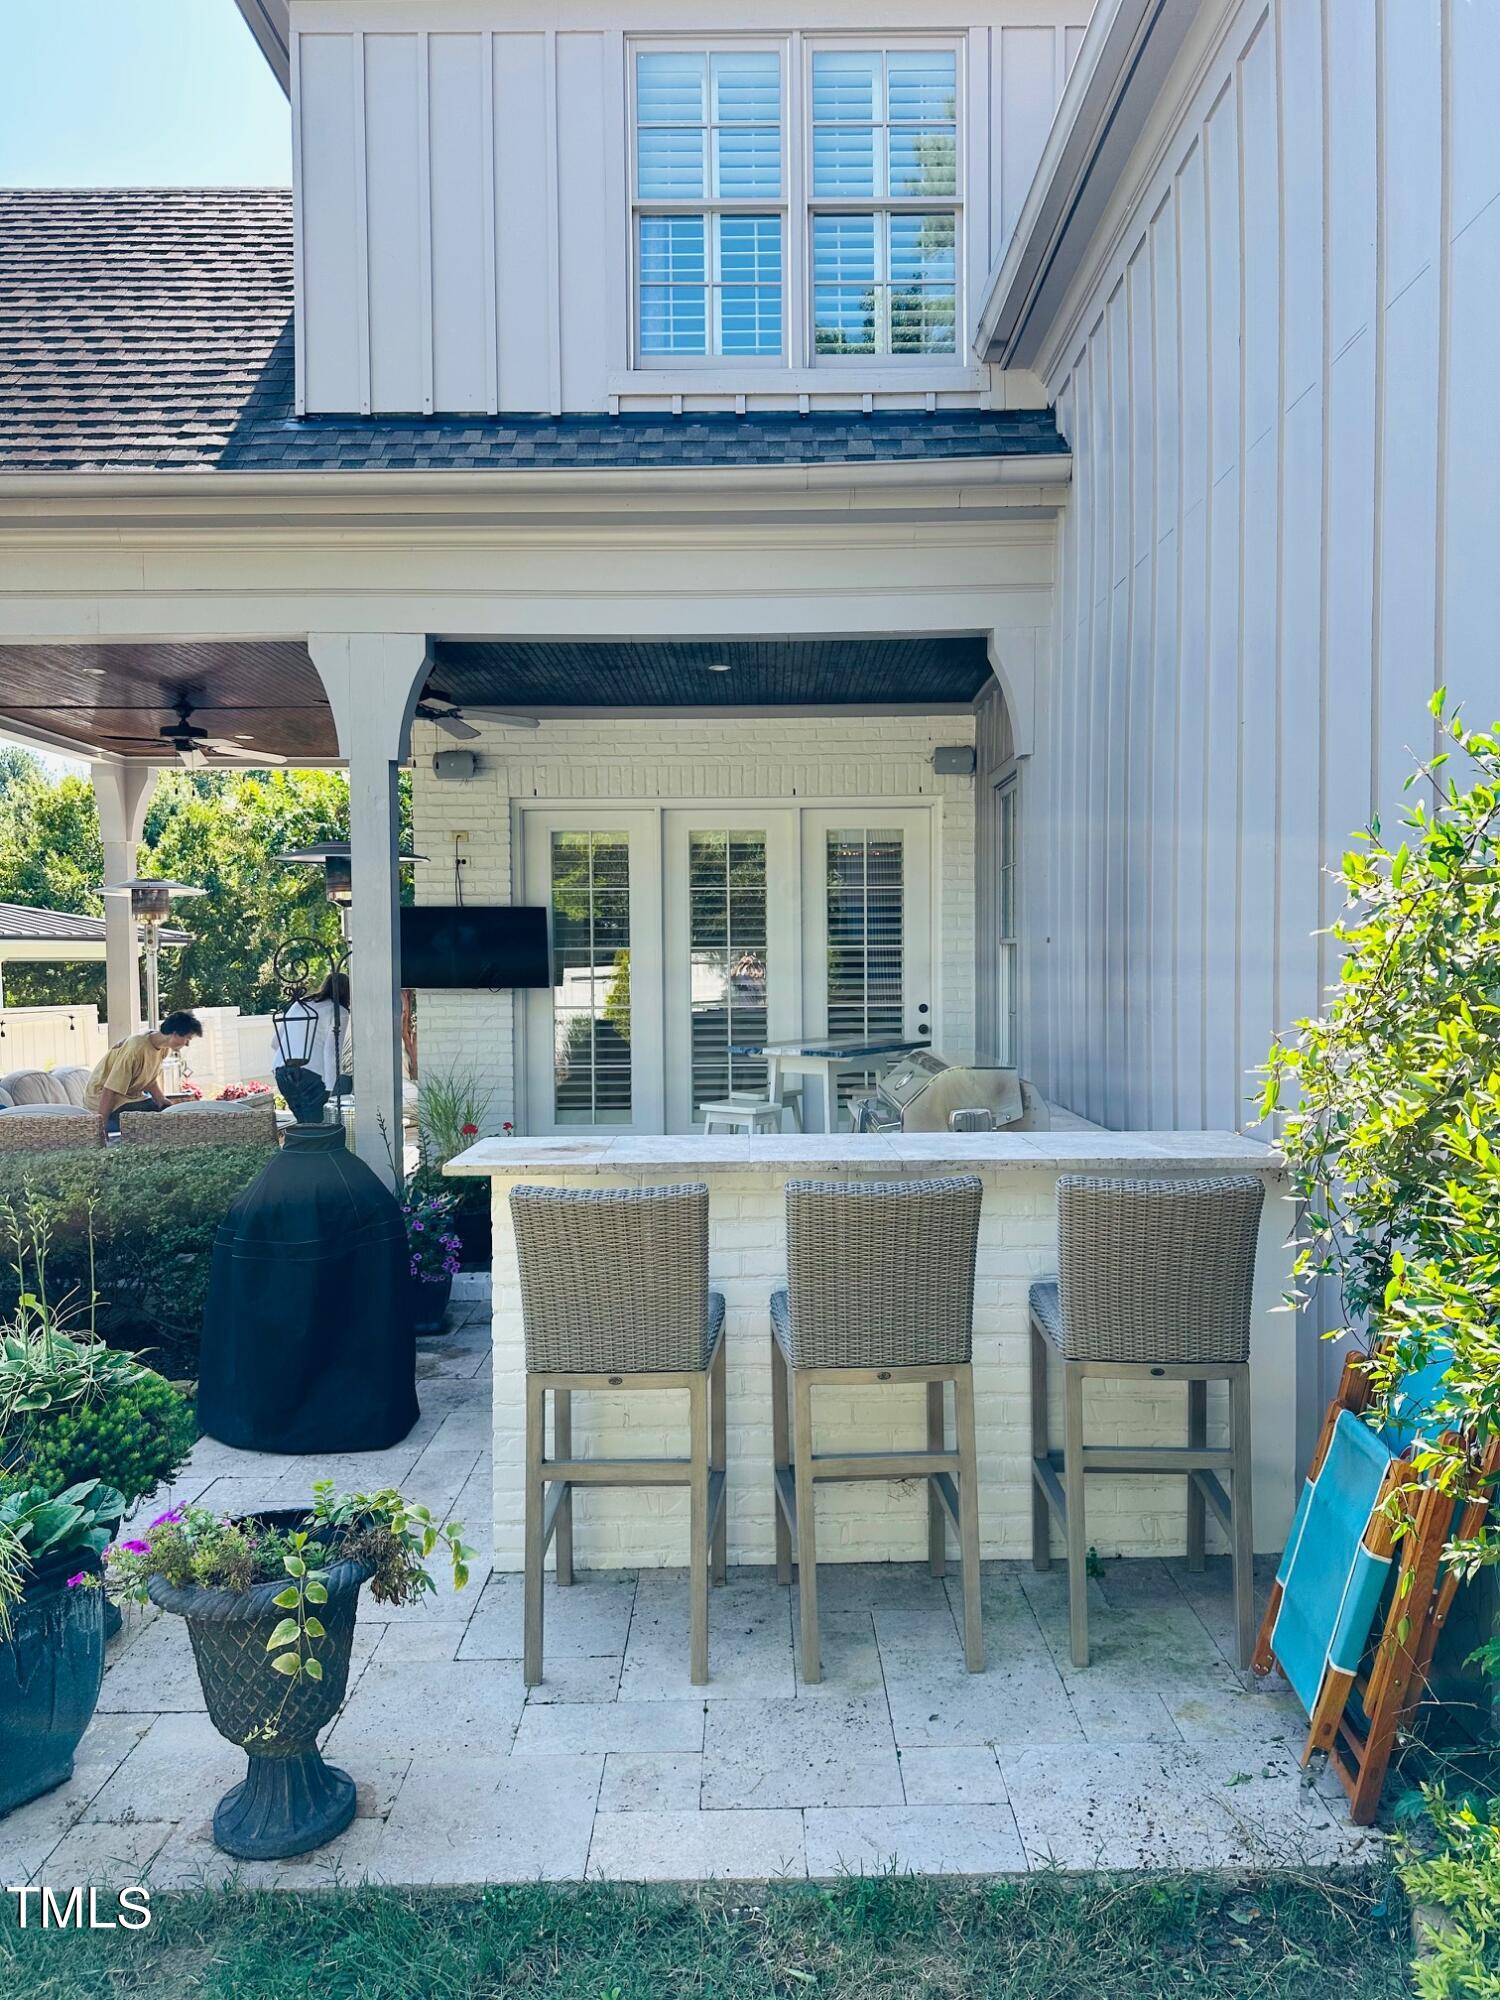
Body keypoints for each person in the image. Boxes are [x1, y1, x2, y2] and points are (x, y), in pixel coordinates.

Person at [84, 1010, 203, 1136]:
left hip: (129, 1097)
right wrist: (100, 1128)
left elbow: (149, 1081)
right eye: (187, 1039)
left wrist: (161, 1100)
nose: (188, 1044)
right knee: (156, 1120)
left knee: (170, 1114)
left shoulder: (162, 1049)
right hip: (102, 1099)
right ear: (175, 1033)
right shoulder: (136, 1048)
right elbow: (109, 1090)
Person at [306, 972, 353, 1095]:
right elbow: (331, 1051)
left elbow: (275, 1043)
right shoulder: (339, 1011)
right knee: (346, 1082)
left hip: (282, 1072)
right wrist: (332, 1090)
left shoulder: (301, 1004)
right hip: (313, 1075)